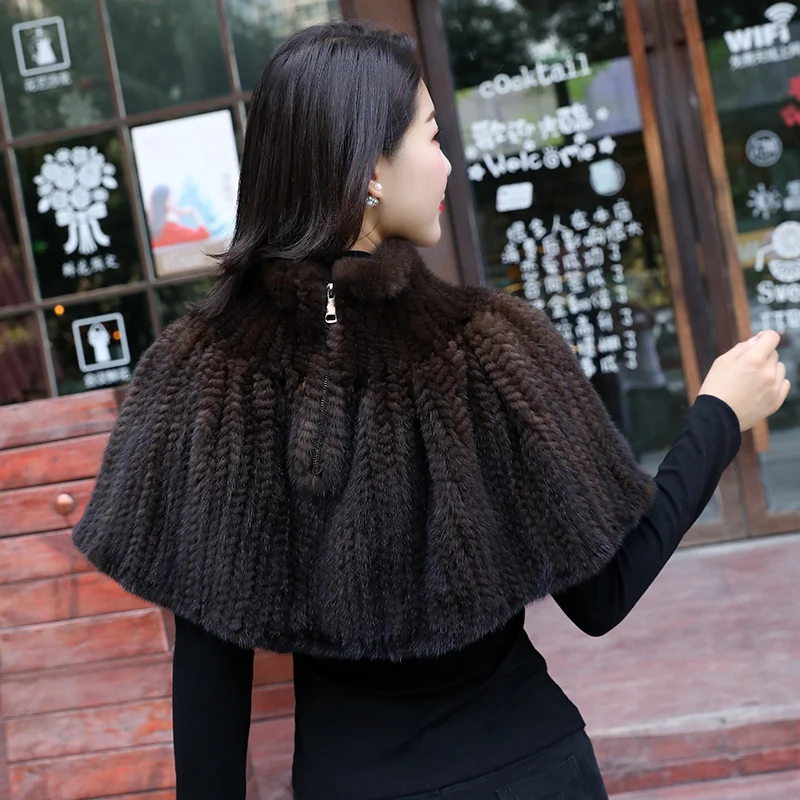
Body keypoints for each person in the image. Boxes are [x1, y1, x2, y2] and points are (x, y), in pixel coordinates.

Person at [72, 21, 790, 800]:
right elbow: (603, 595)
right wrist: (720, 412)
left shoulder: (205, 376)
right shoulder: (487, 347)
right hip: (529, 773)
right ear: (371, 171)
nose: (448, 161)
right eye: (433, 135)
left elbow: (211, 679)